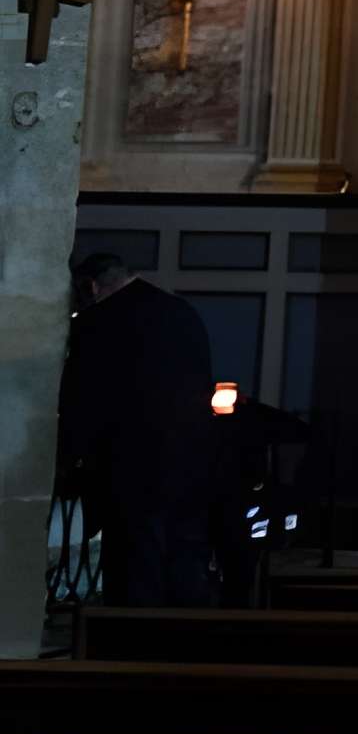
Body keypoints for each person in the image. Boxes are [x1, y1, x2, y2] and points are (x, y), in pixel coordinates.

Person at [58, 254, 222, 606]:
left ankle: (131, 647)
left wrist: (68, 459)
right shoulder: (183, 313)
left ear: (91, 286)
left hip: (128, 468)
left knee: (135, 566)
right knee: (184, 560)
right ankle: (186, 644)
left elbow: (83, 402)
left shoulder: (97, 323)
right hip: (190, 463)